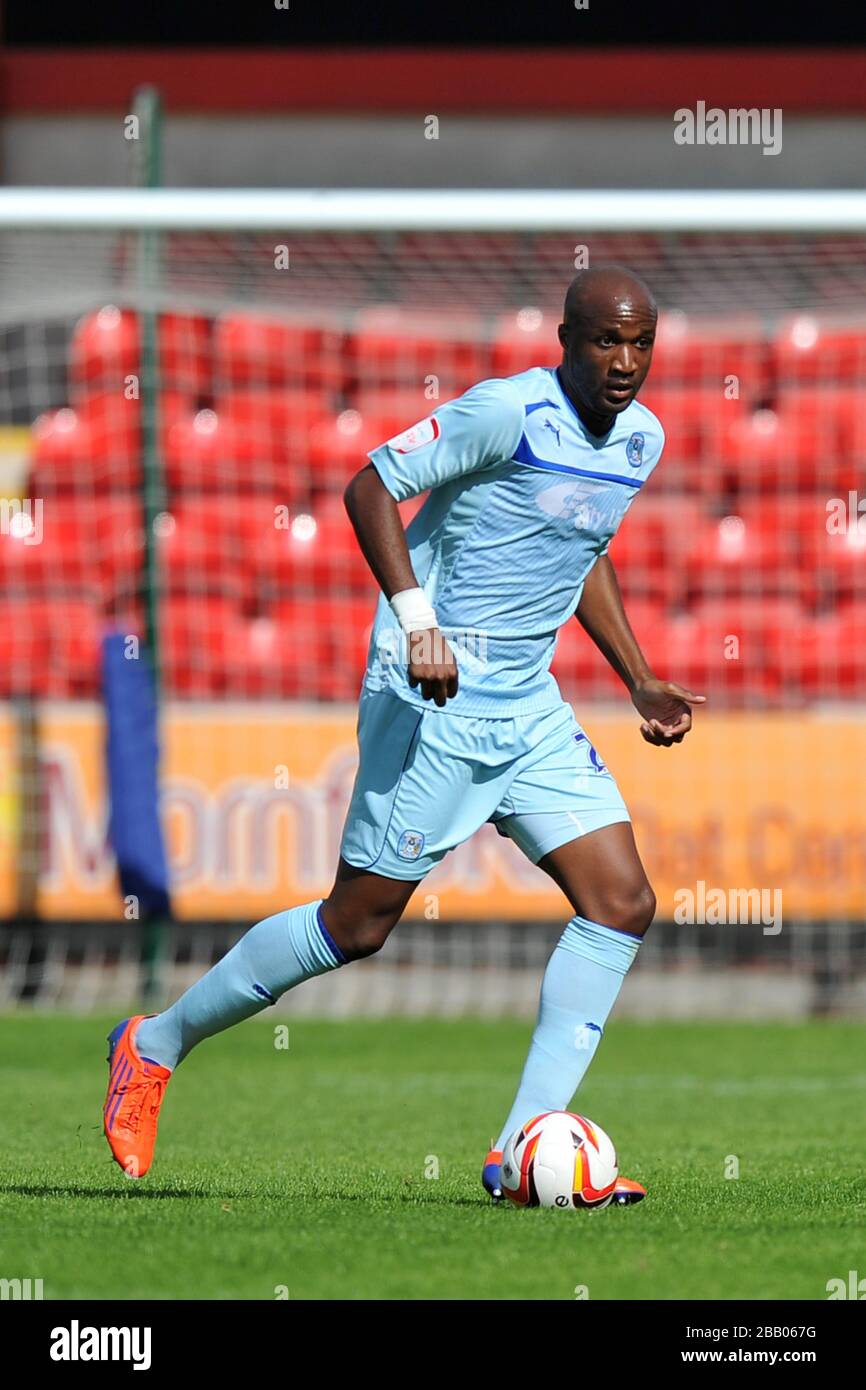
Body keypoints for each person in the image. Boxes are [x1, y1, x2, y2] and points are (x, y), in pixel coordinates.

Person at [103, 266, 704, 1201]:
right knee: (358, 923)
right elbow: (369, 485)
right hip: (434, 696)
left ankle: (518, 1156)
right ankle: (152, 1045)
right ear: (565, 339)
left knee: (621, 901)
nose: (625, 362)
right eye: (604, 342)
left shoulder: (640, 440)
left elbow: (581, 549)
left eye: (641, 344)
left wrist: (637, 676)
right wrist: (419, 620)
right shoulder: (504, 413)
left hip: (530, 707)